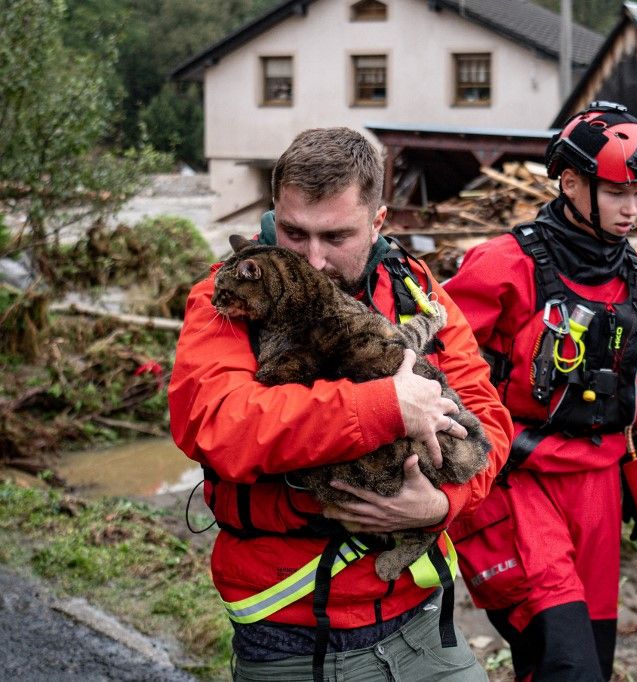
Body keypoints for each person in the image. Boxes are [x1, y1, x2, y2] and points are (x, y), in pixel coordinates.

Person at [168, 127, 512, 681]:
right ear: (274, 211)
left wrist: (443, 505)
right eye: (295, 232)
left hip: (420, 622)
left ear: (378, 222)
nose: (314, 259)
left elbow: (489, 422)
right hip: (289, 630)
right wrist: (387, 406)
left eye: (336, 237)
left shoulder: (415, 291)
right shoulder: (230, 300)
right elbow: (220, 426)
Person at [444, 102, 637, 681]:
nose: (632, 209)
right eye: (617, 192)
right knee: (566, 664)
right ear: (573, 182)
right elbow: (436, 362)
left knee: (588, 668)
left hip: (601, 491)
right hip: (517, 482)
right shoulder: (502, 265)